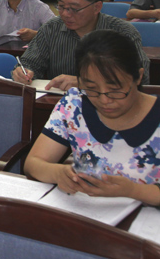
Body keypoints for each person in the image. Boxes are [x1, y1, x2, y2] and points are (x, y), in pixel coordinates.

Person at [25, 30, 160, 204]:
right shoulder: (74, 105)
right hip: (87, 212)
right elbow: (33, 163)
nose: (104, 100)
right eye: (92, 89)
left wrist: (133, 191)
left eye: (115, 90)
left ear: (138, 77)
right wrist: (58, 173)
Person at [12, 0, 151, 90]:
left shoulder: (123, 33)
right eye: (61, 6)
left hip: (111, 105)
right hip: (59, 105)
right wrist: (23, 72)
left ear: (97, 7)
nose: (65, 14)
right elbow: (29, 63)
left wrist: (86, 83)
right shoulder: (51, 29)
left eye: (74, 8)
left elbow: (140, 78)